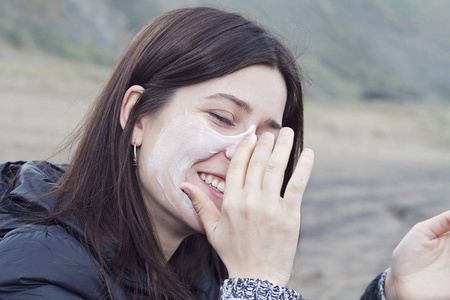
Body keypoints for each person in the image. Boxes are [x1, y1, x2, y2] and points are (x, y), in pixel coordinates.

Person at [0, 6, 449, 300]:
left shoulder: (201, 261)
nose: (244, 153)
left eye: (267, 134)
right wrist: (256, 284)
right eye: (222, 117)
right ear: (137, 116)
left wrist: (394, 291)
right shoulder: (39, 272)